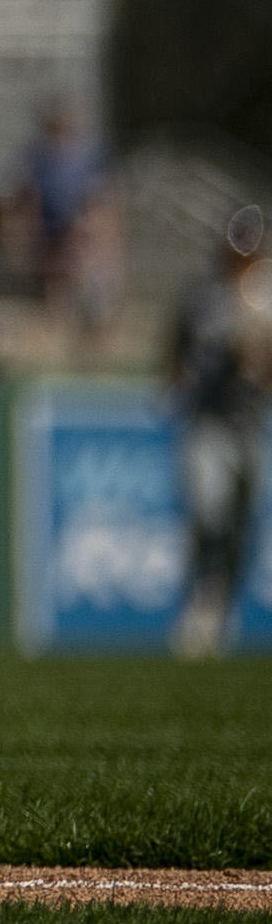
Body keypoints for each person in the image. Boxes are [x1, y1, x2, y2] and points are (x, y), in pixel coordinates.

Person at [170, 204, 272, 658]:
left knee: (241, 520)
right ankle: (203, 604)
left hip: (248, 423)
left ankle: (221, 609)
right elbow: (176, 345)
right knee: (208, 513)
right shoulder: (204, 295)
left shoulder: (266, 295)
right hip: (207, 420)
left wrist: (258, 365)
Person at [1, 91, 122, 359]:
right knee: (54, 299)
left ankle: (92, 347)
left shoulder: (90, 157)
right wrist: (18, 237)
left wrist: (103, 238)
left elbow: (103, 203)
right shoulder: (37, 159)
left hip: (84, 240)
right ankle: (56, 345)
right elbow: (20, 199)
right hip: (53, 236)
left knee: (93, 299)